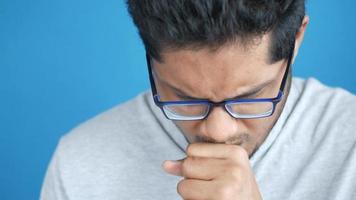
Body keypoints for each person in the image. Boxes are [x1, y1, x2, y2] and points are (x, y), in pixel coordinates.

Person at [40, 0, 356, 199]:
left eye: (250, 96)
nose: (218, 132)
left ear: (297, 40)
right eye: (185, 97)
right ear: (149, 56)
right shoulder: (80, 162)